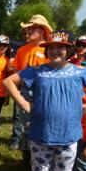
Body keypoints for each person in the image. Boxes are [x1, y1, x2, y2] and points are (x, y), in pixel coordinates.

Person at [3, 30, 86, 171]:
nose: (56, 50)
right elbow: (8, 82)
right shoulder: (37, 71)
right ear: (47, 50)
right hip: (41, 135)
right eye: (51, 47)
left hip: (68, 137)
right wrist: (23, 103)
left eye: (60, 47)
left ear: (68, 50)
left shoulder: (80, 71)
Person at [10, 14, 52, 154]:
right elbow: (16, 73)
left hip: (43, 93)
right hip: (24, 92)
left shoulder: (50, 50)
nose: (28, 32)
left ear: (43, 31)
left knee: (42, 125)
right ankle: (26, 160)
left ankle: (41, 159)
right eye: (28, 29)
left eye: (32, 28)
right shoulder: (22, 50)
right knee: (24, 126)